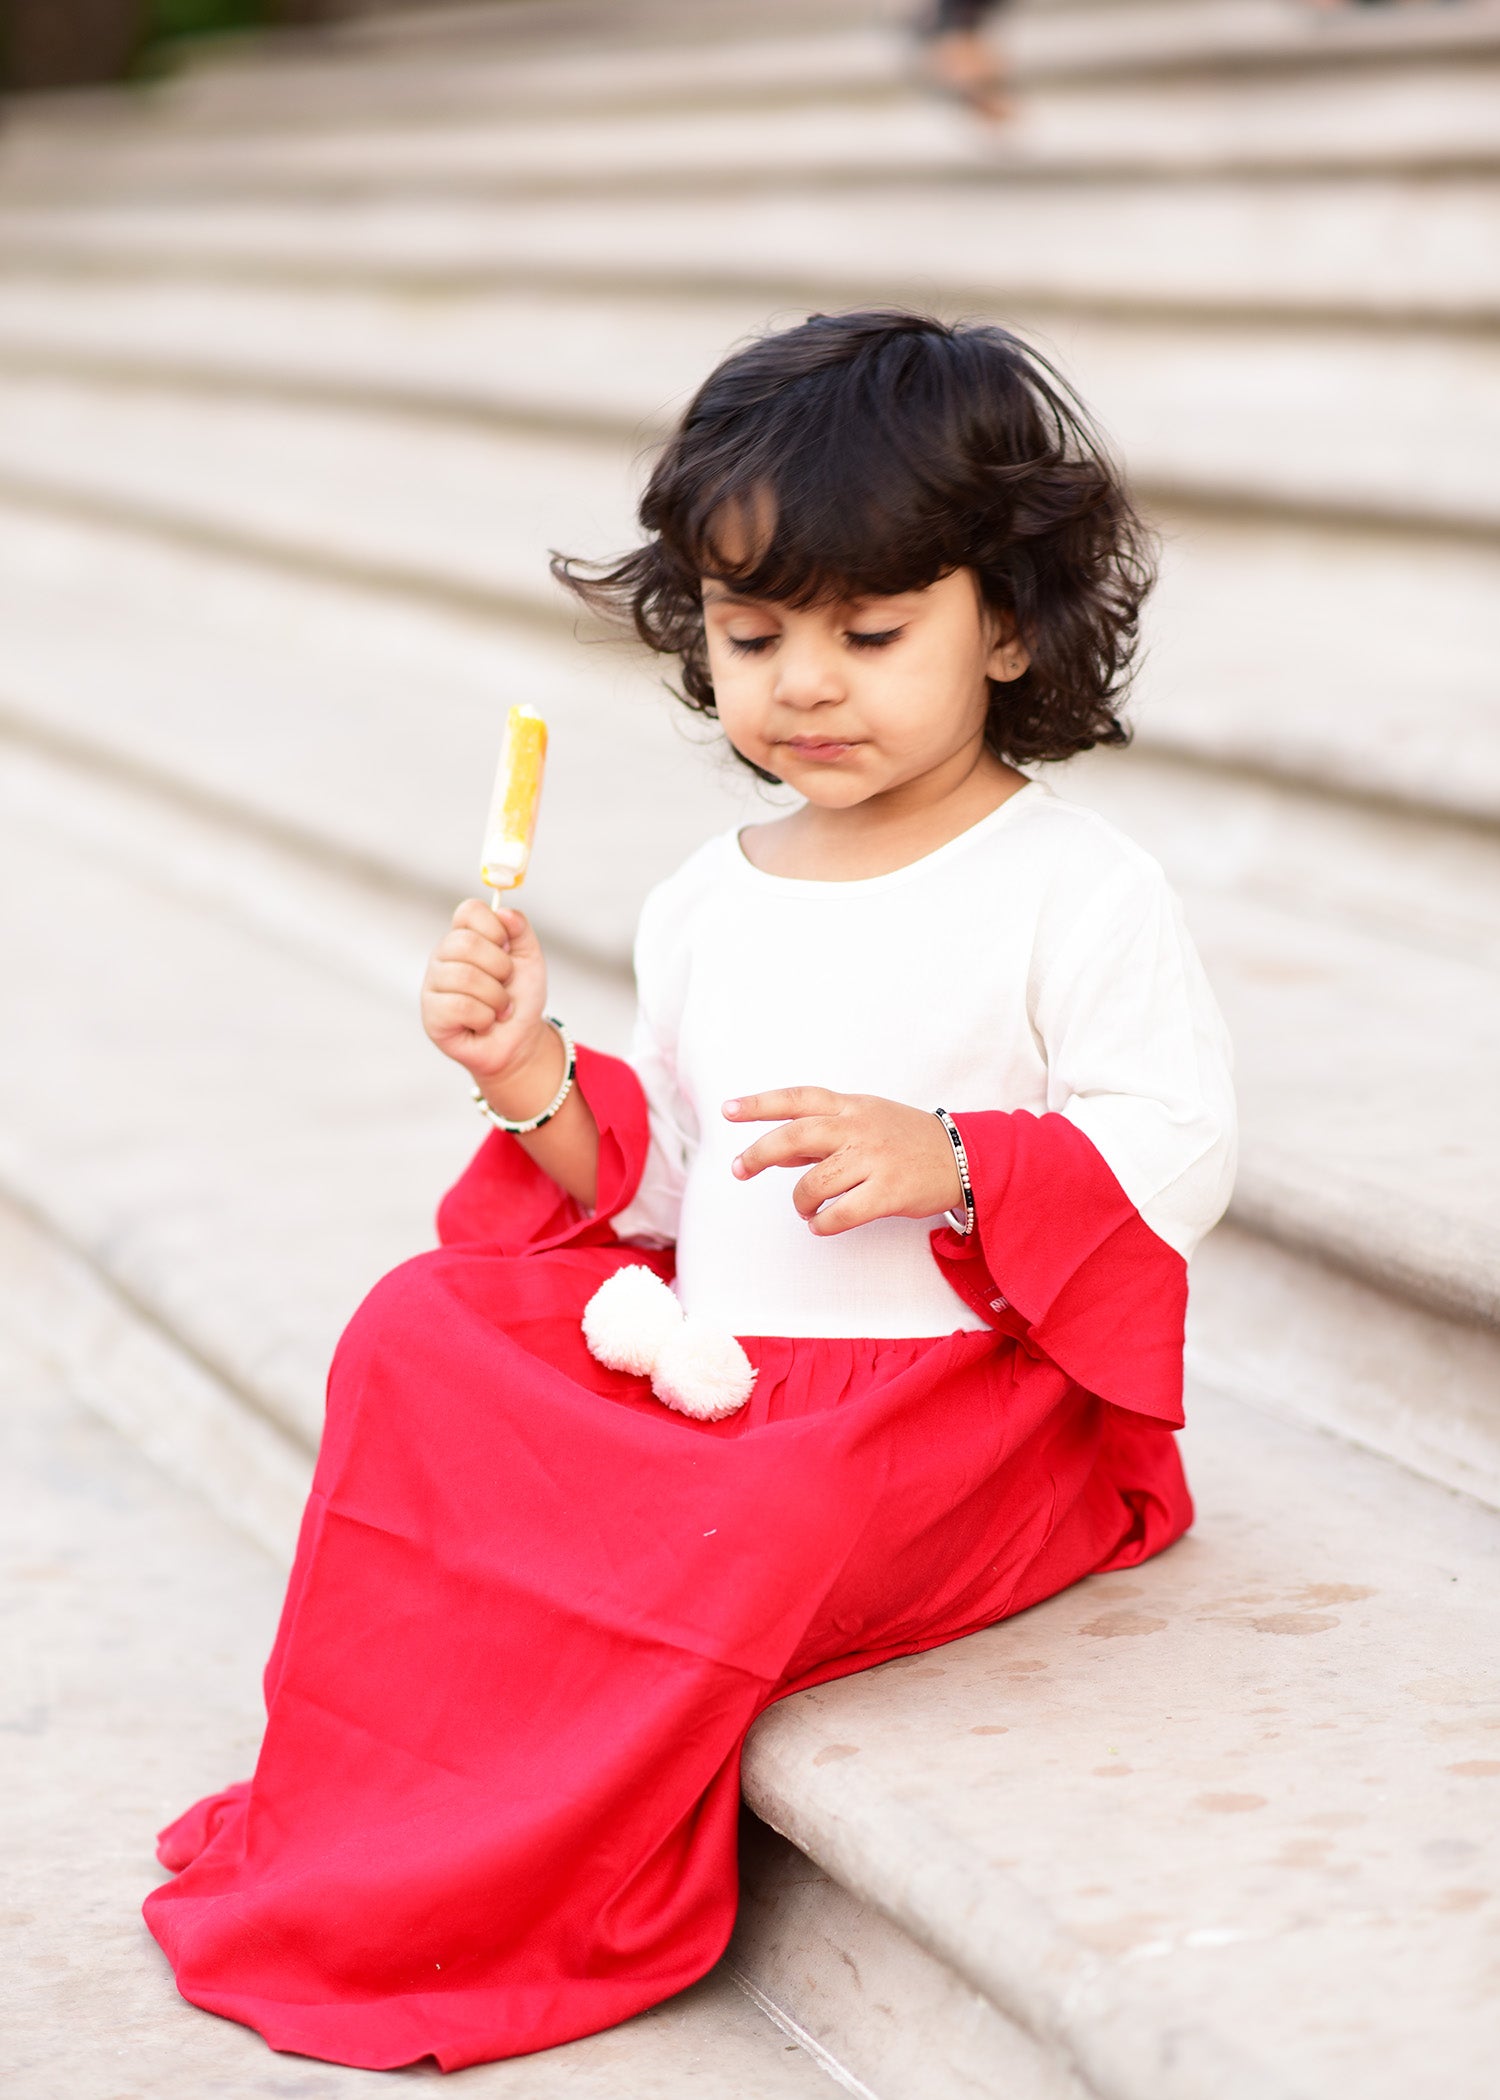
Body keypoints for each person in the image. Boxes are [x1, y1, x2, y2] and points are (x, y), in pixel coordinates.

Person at [143, 309, 1236, 2071]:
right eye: (753, 635)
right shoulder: (705, 897)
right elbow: (668, 1191)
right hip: (722, 1371)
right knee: (415, 1330)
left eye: (873, 632)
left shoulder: (1071, 888)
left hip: (942, 1401)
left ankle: (537, 1843)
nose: (806, 683)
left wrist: (957, 1160)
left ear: (1011, 626)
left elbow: (1182, 1147)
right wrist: (541, 1082)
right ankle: (394, 1809)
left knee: (754, 1522)